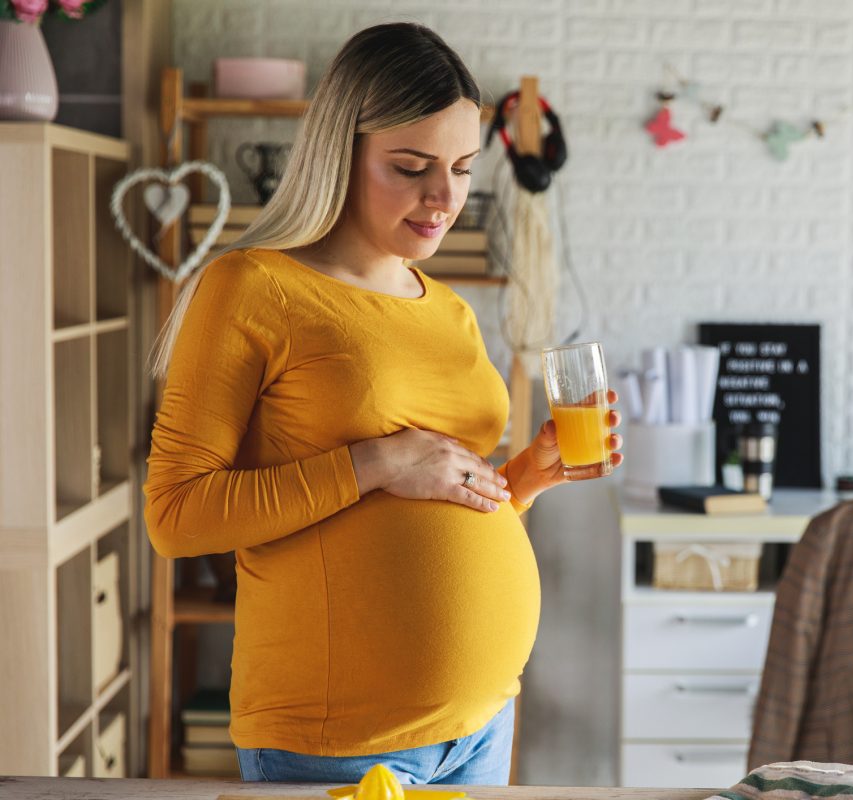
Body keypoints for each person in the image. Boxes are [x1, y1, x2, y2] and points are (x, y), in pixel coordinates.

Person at [143, 22, 622, 786]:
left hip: (483, 724)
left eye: (463, 169)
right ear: (342, 153)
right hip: (338, 735)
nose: (445, 198)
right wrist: (376, 462)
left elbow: (438, 498)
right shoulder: (253, 287)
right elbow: (175, 515)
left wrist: (525, 477)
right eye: (411, 167)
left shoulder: (451, 310)